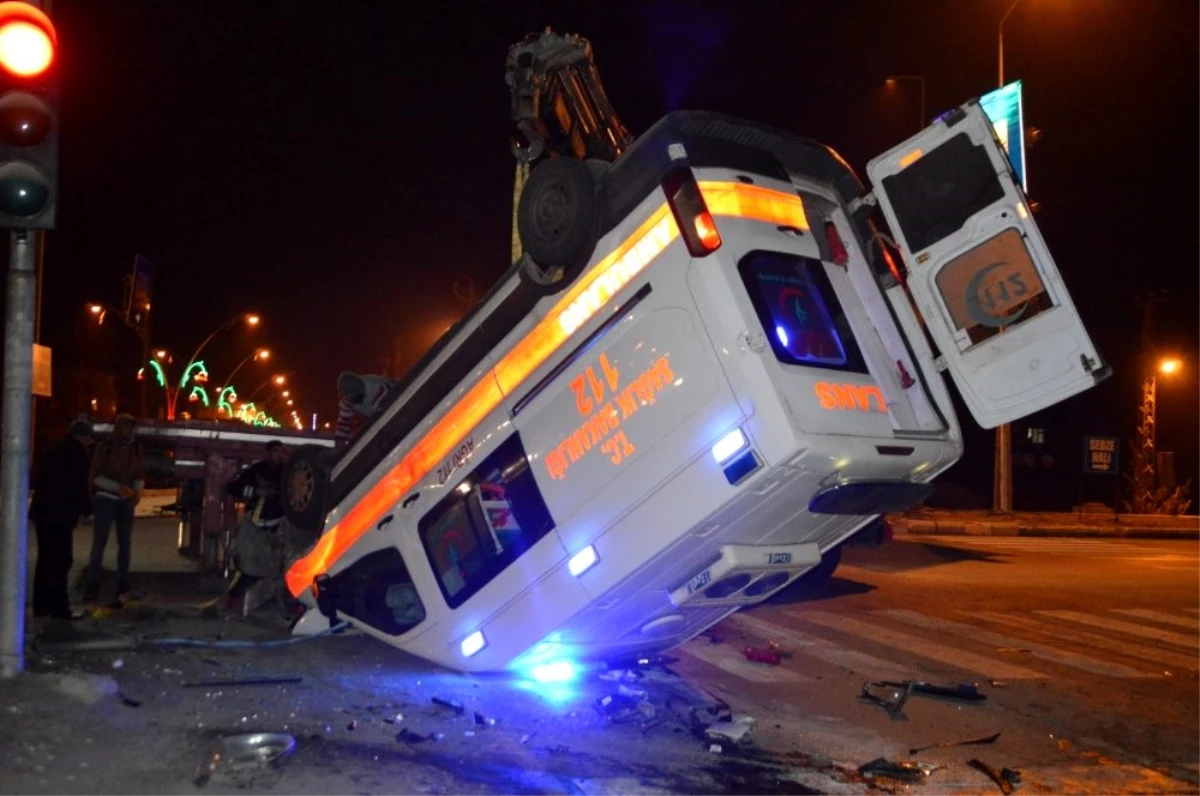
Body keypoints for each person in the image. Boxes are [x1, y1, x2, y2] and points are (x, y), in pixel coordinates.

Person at [28, 419, 94, 620]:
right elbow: (77, 485)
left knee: (46, 559)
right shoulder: (75, 454)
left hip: (43, 512)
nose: (89, 443)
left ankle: (41, 605)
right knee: (61, 560)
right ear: (82, 437)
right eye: (88, 439)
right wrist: (87, 510)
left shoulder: (55, 449)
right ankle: (59, 608)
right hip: (59, 514)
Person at [85, 414, 145, 601]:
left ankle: (122, 584)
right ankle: (93, 585)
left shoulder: (134, 448)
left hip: (125, 502)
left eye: (132, 429)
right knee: (100, 543)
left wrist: (136, 491)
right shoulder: (105, 447)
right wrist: (119, 489)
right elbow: (95, 477)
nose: (130, 432)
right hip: (106, 500)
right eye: (127, 428)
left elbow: (139, 473)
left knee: (124, 544)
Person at [224, 440, 288, 613]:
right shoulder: (256, 470)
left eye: (282, 452)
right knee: (249, 566)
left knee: (281, 566)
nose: (279, 455)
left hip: (279, 528)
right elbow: (232, 488)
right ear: (268, 453)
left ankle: (283, 602)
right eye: (276, 452)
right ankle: (232, 599)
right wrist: (254, 492)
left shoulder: (288, 473)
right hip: (256, 527)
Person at [334, 371, 397, 445]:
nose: (350, 401)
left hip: (397, 407)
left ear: (359, 393)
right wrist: (339, 445)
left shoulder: (377, 389)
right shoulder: (348, 399)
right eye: (348, 398)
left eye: (352, 398)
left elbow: (381, 418)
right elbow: (343, 424)